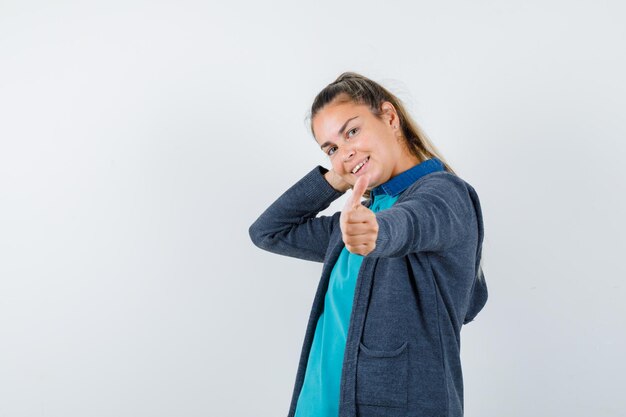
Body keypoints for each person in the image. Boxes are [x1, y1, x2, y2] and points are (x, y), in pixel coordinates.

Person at [248, 72, 488, 417]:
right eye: (331, 147)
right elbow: (268, 232)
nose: (345, 150)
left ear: (390, 117)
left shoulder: (443, 192)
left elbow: (411, 224)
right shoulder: (360, 214)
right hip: (319, 405)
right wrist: (336, 177)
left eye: (353, 131)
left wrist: (376, 231)